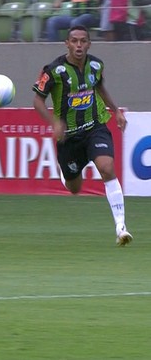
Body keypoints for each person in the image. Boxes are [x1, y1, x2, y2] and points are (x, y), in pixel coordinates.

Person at [32, 25, 133, 246]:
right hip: (69, 137)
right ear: (67, 43)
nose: (79, 45)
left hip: (95, 127)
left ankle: (121, 228)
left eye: (83, 41)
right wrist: (54, 123)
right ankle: (65, 173)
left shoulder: (96, 65)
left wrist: (115, 111)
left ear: (89, 43)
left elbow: (100, 88)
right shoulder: (53, 71)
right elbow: (37, 100)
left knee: (107, 167)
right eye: (74, 41)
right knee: (75, 188)